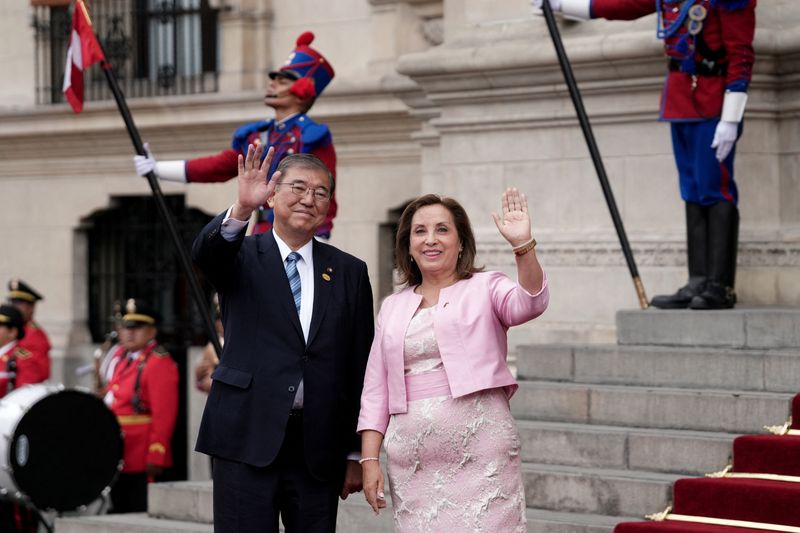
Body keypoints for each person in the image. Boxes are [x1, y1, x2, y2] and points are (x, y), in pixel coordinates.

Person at [192, 144, 374, 532]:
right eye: (298, 187)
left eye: (321, 192)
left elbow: (359, 366)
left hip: (318, 446)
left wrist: (356, 452)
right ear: (272, 195)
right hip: (246, 436)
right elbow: (205, 255)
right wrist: (241, 208)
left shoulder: (349, 271)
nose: (310, 199)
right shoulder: (240, 253)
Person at [532, 0, 755, 309]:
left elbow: (741, 53)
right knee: (691, 189)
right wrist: (560, 5)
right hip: (681, 99)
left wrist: (731, 116)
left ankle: (720, 285)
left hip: (713, 100)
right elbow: (623, 6)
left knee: (714, 187)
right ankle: (698, 281)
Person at [358, 189, 549, 532]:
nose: (431, 239)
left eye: (442, 229)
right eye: (420, 231)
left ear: (461, 242)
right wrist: (370, 458)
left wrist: (523, 246)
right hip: (413, 465)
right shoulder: (392, 306)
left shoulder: (487, 286)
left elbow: (531, 302)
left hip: (481, 454)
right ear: (408, 246)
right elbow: (375, 391)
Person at [134, 31, 339, 239]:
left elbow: (324, 194)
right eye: (274, 79)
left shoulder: (312, 136)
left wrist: (318, 242)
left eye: (282, 81)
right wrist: (157, 168)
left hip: (295, 237)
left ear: (303, 89)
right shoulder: (259, 134)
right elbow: (219, 167)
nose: (272, 84)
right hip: (261, 235)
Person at [103, 299, 179, 513]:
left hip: (140, 452)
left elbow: (164, 415)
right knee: (120, 507)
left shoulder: (158, 362)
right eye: (126, 328)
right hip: (120, 451)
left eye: (136, 328)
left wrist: (157, 452)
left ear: (152, 331)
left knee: (137, 509)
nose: (129, 333)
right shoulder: (122, 358)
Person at [6, 279, 50, 381]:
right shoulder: (7, 329)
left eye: (19, 303)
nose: (14, 307)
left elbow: (41, 372)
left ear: (31, 307)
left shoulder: (35, 334)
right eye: (12, 302)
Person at [194, 294, 223, 394]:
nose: (220, 322)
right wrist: (199, 376)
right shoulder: (211, 345)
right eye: (218, 318)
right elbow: (201, 381)